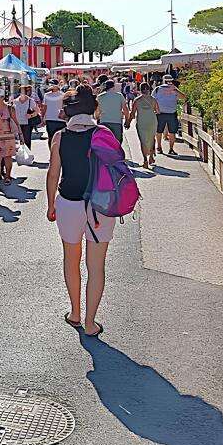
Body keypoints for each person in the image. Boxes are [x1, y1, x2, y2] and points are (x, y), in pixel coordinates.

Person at [46, 84, 112, 337]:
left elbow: (54, 174)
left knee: (71, 260)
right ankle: (91, 321)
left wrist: (51, 204)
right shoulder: (104, 134)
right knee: (96, 266)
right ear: (94, 108)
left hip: (69, 203)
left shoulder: (60, 137)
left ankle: (75, 312)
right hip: (100, 207)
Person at [126, 82, 160, 168]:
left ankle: (145, 160)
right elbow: (158, 111)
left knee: (143, 140)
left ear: (140, 90)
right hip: (152, 121)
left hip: (141, 122)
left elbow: (132, 114)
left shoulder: (137, 100)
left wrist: (128, 123)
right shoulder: (153, 99)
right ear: (149, 89)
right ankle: (151, 157)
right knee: (152, 138)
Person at [0, 91, 20, 185]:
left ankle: (7, 176)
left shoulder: (10, 107)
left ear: (3, 97)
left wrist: (21, 136)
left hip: (9, 135)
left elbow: (16, 121)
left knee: (8, 157)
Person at [153, 74, 185, 155]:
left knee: (171, 132)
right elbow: (152, 100)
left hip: (169, 113)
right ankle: (159, 147)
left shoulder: (173, 89)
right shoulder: (158, 89)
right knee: (159, 131)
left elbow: (183, 97)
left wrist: (176, 90)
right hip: (162, 113)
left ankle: (169, 149)